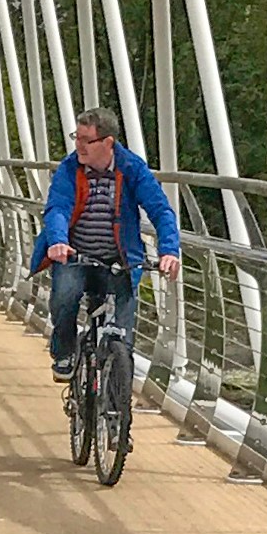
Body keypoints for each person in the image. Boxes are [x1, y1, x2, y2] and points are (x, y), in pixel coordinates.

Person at [29, 108, 180, 382]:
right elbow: (58, 208)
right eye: (77, 137)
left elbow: (160, 210)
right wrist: (59, 241)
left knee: (123, 334)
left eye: (86, 140)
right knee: (64, 297)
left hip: (119, 260)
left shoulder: (131, 168)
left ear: (108, 142)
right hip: (76, 256)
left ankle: (118, 395)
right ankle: (64, 353)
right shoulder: (69, 169)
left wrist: (169, 250)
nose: (79, 145)